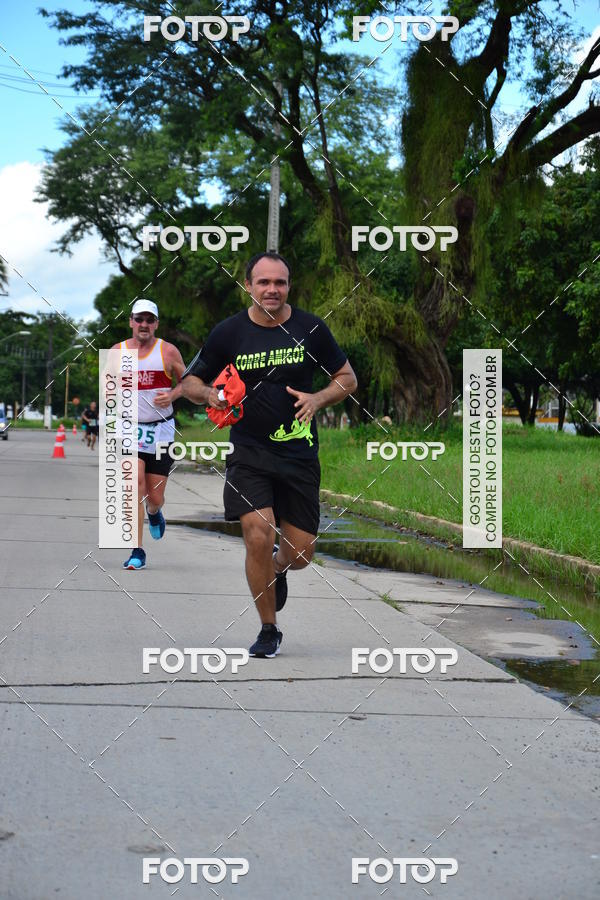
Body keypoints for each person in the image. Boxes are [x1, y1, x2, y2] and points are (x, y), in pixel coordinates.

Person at [161, 252, 357, 657]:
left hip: (299, 454)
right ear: (248, 285)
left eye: (280, 282)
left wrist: (319, 398)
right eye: (263, 282)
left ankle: (279, 566)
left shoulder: (311, 328)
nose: (272, 289)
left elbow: (347, 377)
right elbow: (191, 381)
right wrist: (211, 394)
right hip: (248, 452)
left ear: (289, 286)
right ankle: (269, 628)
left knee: (301, 553)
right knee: (257, 532)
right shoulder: (229, 333)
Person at [113, 298, 185, 570]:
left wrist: (173, 394)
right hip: (128, 429)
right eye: (138, 319)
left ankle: (154, 514)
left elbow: (188, 383)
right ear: (131, 321)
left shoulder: (167, 351)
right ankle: (137, 551)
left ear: (156, 323)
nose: (143, 324)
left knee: (154, 498)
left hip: (161, 431)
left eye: (149, 320)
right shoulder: (117, 352)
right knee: (134, 487)